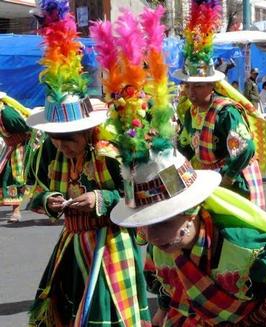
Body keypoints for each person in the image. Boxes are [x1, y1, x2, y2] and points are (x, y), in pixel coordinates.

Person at [109, 145, 266, 327]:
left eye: (163, 222)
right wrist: (162, 310)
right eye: (145, 224)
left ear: (192, 211)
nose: (150, 236)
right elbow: (167, 285)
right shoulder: (161, 244)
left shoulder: (245, 248)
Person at [27, 4, 151, 325]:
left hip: (111, 248)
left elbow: (140, 197)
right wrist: (50, 201)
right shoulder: (51, 153)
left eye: (67, 139)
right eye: (54, 138)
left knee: (107, 315)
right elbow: (37, 191)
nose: (60, 146)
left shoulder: (111, 153)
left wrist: (101, 199)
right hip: (71, 247)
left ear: (87, 130)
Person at [173, 0, 266, 208]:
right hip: (205, 178)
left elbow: (245, 149)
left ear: (211, 85)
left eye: (197, 86)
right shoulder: (191, 111)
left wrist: (227, 177)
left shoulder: (226, 112)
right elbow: (186, 147)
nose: (190, 92)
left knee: (237, 234)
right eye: (188, 86)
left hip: (231, 179)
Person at [0, 92, 32, 223]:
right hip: (10, 144)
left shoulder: (7, 114)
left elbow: (28, 129)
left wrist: (15, 140)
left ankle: (16, 211)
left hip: (23, 144)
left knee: (15, 175)